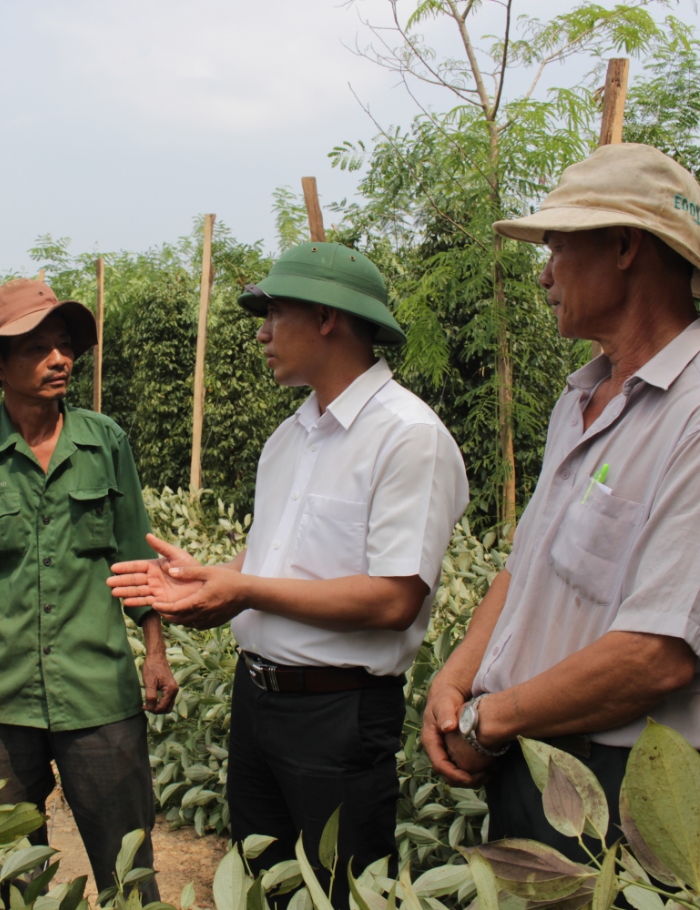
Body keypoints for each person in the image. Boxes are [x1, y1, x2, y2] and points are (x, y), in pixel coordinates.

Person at [420, 144, 700, 860]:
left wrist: (486, 722)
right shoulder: (581, 400)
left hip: (620, 789)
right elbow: (525, 569)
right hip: (526, 756)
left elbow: (655, 657)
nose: (545, 274)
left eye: (558, 247)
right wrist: (457, 675)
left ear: (624, 246)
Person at [108, 243, 468, 905]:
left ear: (327, 318)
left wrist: (242, 589)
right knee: (265, 886)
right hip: (258, 703)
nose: (262, 332)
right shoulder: (288, 440)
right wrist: (213, 581)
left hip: (340, 715)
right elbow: (270, 560)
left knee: (343, 891)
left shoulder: (407, 437)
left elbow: (394, 599)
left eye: (275, 313)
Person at [0, 278, 179, 901]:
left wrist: (155, 652)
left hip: (98, 695)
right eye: (38, 348)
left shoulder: (105, 443)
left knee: (129, 872)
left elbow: (136, 557)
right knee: (14, 879)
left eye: (63, 346)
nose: (59, 360)